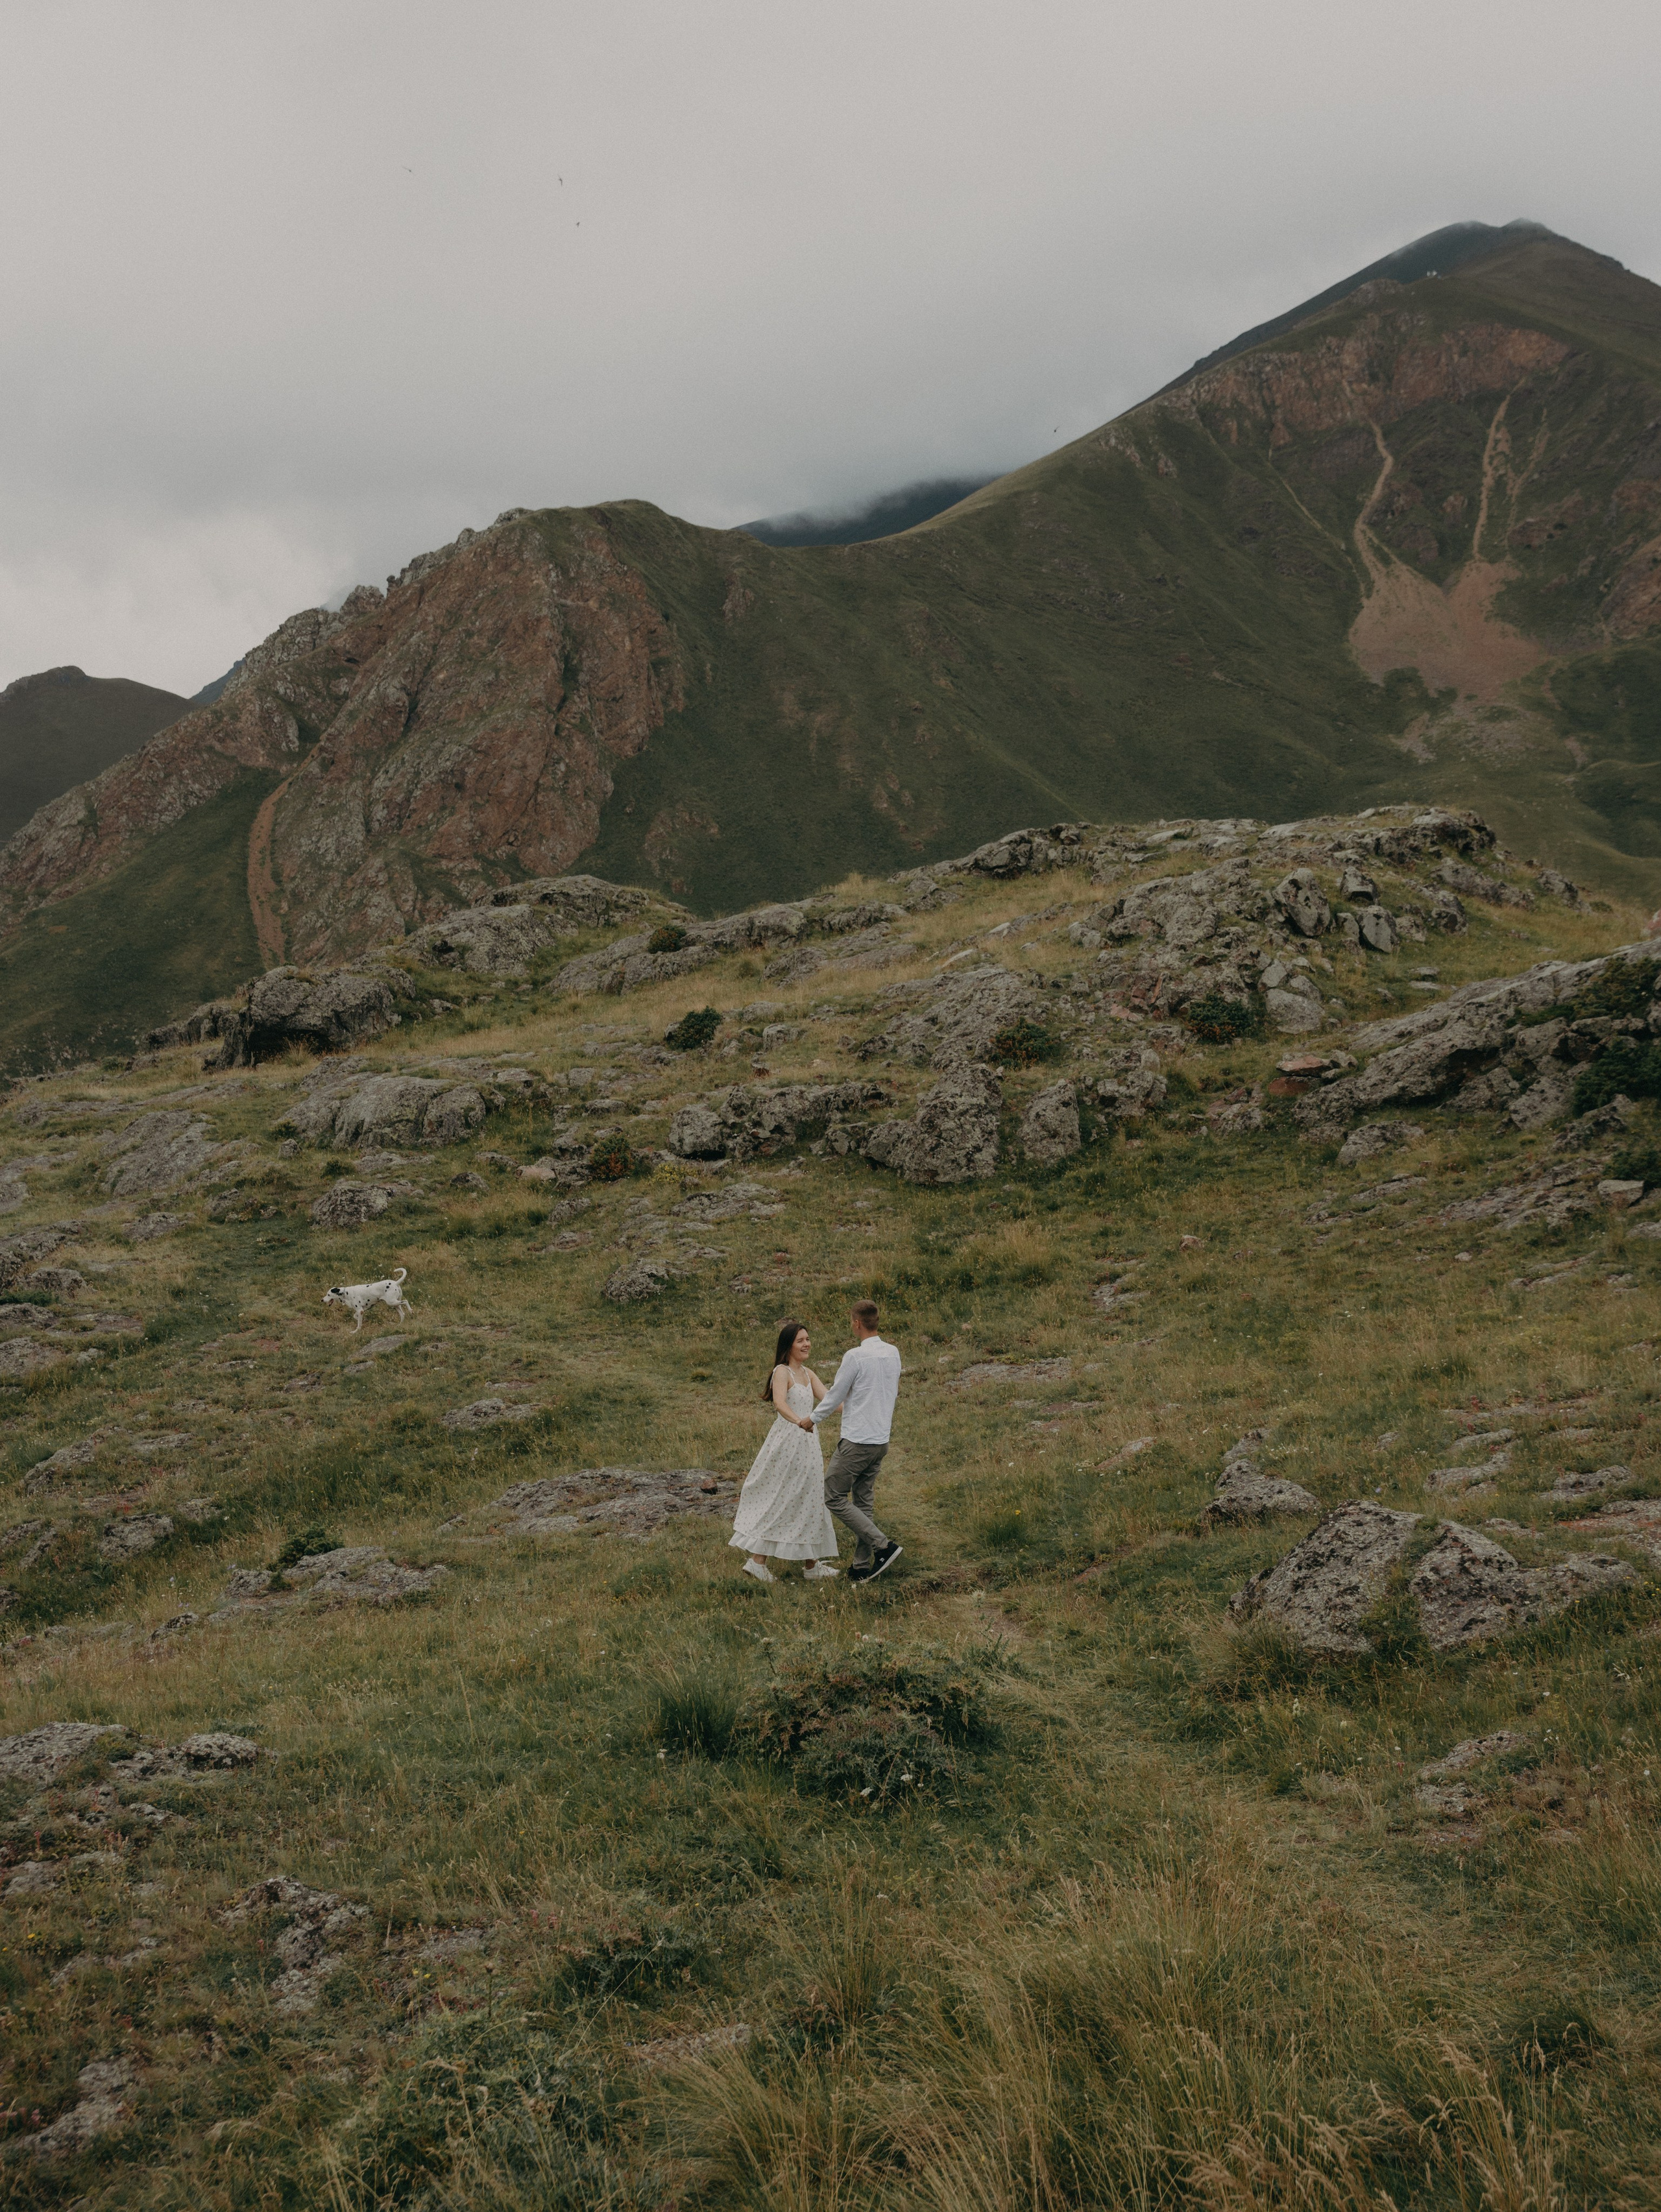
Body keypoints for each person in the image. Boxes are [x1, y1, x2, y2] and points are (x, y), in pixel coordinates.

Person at [729, 1319, 841, 1583]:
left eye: (808, 1339)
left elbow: (830, 1400)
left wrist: (862, 1407)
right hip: (789, 1441)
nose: (807, 1344)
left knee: (810, 1496)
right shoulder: (782, 1372)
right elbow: (779, 1403)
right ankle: (757, 1562)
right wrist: (800, 1422)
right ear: (789, 1345)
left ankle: (812, 1565)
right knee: (784, 1496)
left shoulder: (808, 1373)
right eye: (801, 1340)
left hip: (808, 1442)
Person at [811, 1300, 903, 1584]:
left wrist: (811, 1419)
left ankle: (884, 1546)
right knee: (863, 1501)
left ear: (856, 1323)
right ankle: (861, 1567)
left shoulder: (855, 1356)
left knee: (833, 1495)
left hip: (858, 1441)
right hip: (881, 1440)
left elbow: (836, 1393)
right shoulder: (893, 1352)